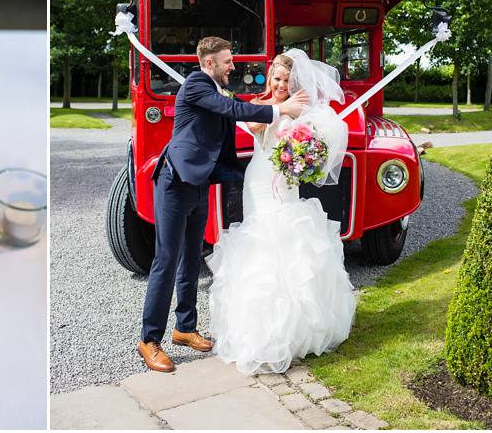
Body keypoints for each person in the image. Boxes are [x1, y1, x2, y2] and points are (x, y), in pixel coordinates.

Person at [138, 37, 309, 373]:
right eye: (228, 61)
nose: (234, 66)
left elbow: (239, 105)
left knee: (191, 256)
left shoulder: (215, 86)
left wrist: (277, 106)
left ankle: (184, 328)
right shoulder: (197, 85)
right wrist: (280, 109)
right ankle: (149, 339)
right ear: (209, 63)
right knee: (166, 260)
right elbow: (233, 110)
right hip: (174, 184)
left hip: (198, 183)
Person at [206, 50, 357, 375]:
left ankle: (294, 333)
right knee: (259, 238)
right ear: (269, 77)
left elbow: (317, 142)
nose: (280, 84)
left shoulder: (301, 107)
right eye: (276, 78)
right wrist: (278, 111)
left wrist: (302, 151)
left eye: (286, 81)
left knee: (288, 238)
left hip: (284, 182)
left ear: (294, 82)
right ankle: (256, 328)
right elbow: (254, 126)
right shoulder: (264, 104)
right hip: (259, 179)